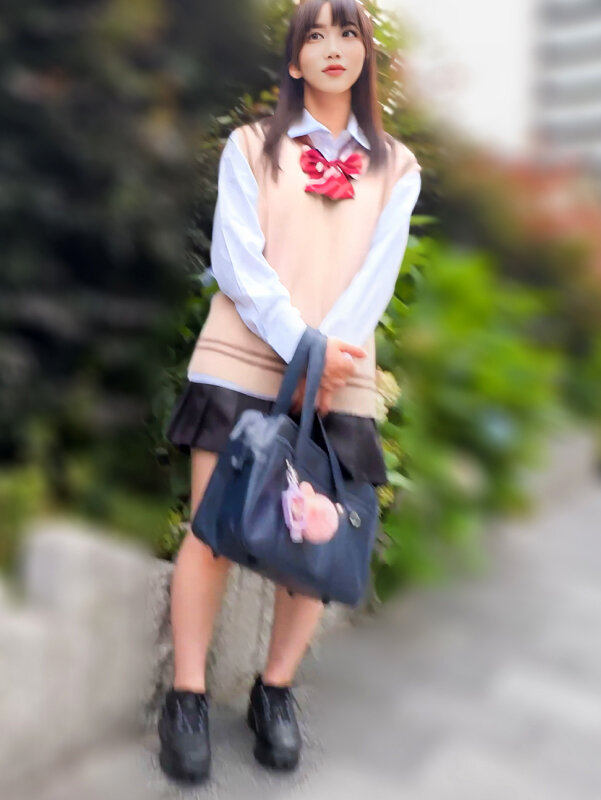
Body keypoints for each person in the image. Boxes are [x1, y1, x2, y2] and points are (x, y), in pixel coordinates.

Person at [158, 0, 422, 784]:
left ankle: (273, 692)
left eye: (348, 33)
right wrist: (301, 346)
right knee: (211, 531)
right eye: (315, 35)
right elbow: (235, 260)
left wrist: (326, 357)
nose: (333, 47)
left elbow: (376, 276)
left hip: (339, 373)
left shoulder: (397, 167)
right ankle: (186, 697)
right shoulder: (249, 146)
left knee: (312, 543)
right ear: (293, 59)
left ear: (365, 53)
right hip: (241, 358)